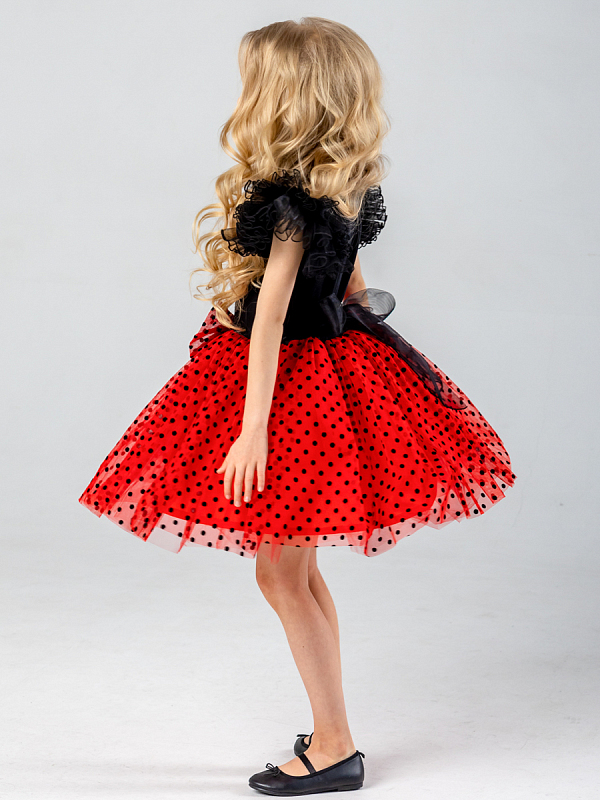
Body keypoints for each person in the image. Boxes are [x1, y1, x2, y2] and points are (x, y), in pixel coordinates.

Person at [79, 16, 517, 796]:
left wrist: (252, 429)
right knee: (297, 572)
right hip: (332, 376)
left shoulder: (286, 200)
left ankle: (337, 745)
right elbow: (354, 287)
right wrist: (359, 337)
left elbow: (274, 319)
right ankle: (331, 729)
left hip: (291, 391)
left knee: (281, 576)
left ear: (282, 97)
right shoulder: (349, 184)